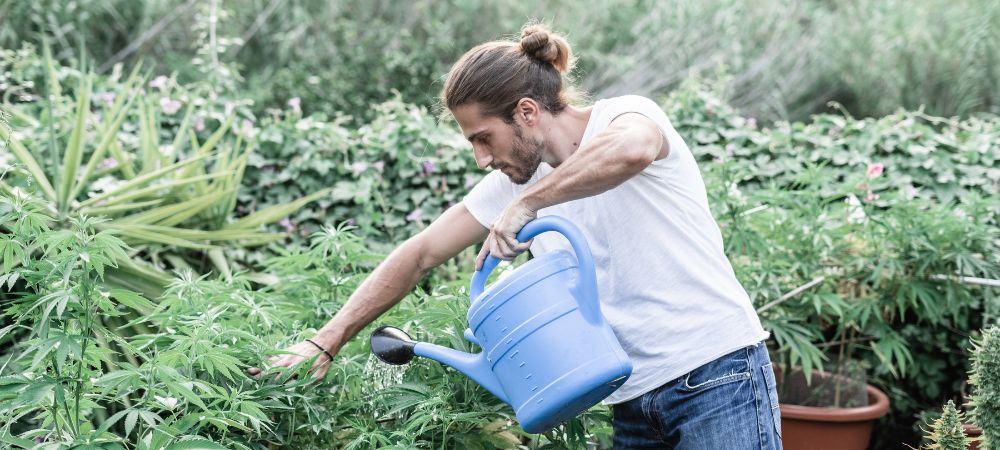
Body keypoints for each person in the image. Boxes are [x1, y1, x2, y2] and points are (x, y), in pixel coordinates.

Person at [248, 23, 783, 450]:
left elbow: (633, 149)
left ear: (527, 112)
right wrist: (327, 339)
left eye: (484, 138)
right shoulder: (510, 183)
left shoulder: (627, 116)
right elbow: (419, 255)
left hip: (717, 376)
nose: (482, 158)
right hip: (632, 397)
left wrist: (530, 203)